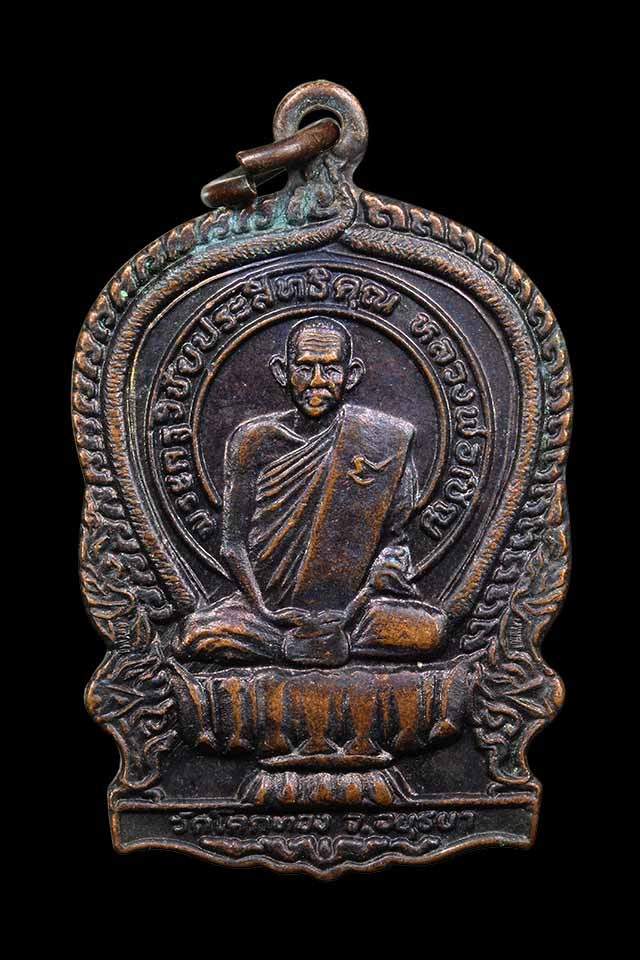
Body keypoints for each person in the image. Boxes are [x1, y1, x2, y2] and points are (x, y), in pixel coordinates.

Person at [173, 317, 445, 666]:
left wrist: (367, 592)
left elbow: (395, 542)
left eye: (330, 369)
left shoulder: (383, 440)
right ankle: (303, 643)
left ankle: (313, 642)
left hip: (352, 611)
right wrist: (267, 612)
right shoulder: (253, 440)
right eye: (304, 368)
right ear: (282, 372)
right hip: (265, 610)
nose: (317, 381)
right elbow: (232, 545)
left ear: (351, 375)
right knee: (197, 635)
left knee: (431, 631)